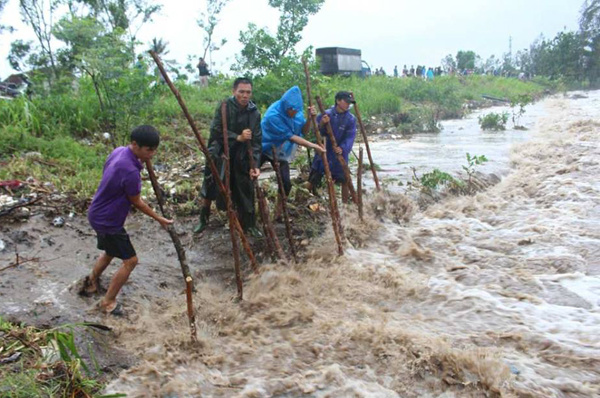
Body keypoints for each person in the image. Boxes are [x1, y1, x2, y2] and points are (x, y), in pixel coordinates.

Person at [82, 125, 173, 315]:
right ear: (135, 145)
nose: (152, 154)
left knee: (109, 251)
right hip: (108, 221)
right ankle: (108, 302)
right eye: (149, 150)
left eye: (154, 149)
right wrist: (159, 218)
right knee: (130, 261)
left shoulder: (119, 152)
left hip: (97, 213)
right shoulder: (130, 171)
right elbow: (137, 202)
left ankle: (91, 281)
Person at [194, 77, 262, 236]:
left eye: (248, 92)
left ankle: (250, 224)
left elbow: (257, 140)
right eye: (241, 92)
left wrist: (256, 165)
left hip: (243, 154)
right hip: (220, 150)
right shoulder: (224, 107)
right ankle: (203, 219)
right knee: (211, 184)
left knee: (246, 187)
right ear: (234, 91)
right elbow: (216, 131)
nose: (245, 96)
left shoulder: (254, 112)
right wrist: (237, 137)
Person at [260, 86, 325, 217]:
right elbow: (292, 137)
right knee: (249, 174)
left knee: (286, 183)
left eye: (295, 110)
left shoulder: (297, 112)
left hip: (281, 151)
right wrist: (313, 146)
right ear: (285, 106)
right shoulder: (273, 115)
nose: (293, 113)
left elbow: (303, 131)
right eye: (290, 110)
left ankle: (278, 210)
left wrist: (309, 119)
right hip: (264, 147)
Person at [308, 91, 357, 203]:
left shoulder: (350, 119)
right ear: (338, 101)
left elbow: (350, 137)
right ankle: (305, 198)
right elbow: (316, 131)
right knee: (314, 178)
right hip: (325, 152)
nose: (348, 105)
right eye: (346, 102)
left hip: (339, 154)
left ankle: (345, 205)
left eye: (349, 103)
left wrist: (343, 148)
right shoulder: (326, 114)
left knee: (344, 180)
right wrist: (322, 124)